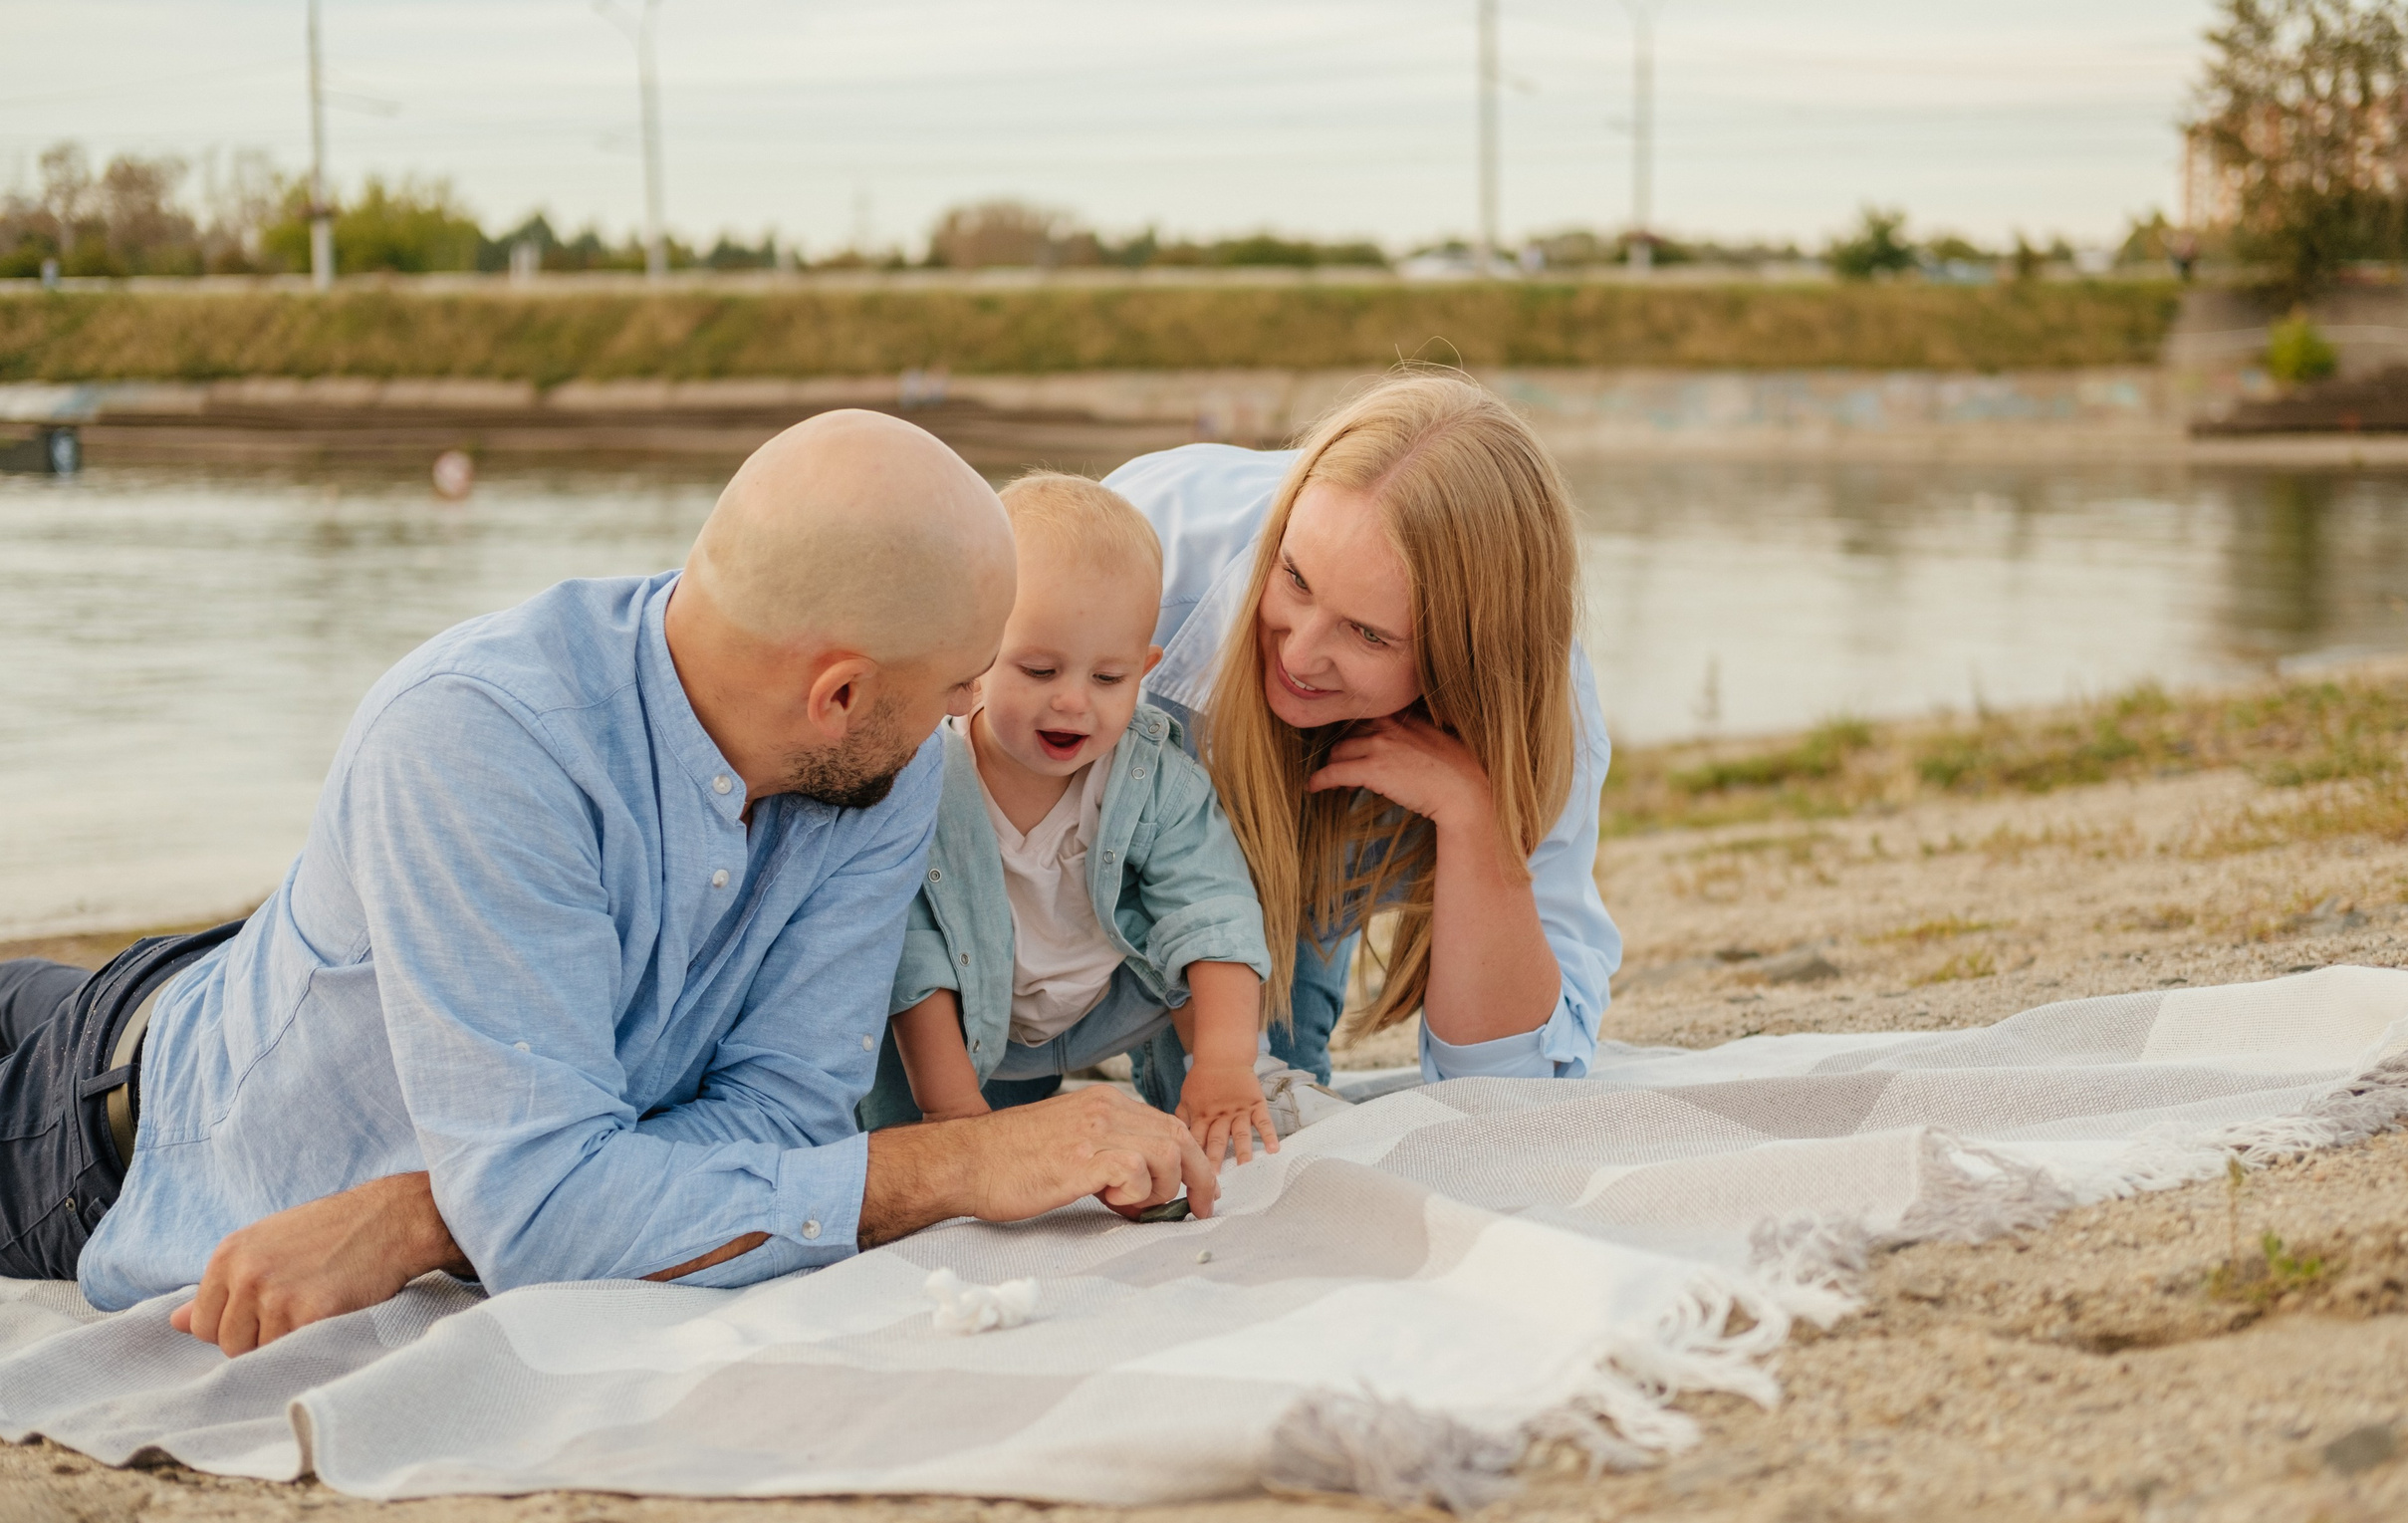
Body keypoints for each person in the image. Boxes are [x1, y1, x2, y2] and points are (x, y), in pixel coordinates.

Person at [0, 410, 1215, 1356]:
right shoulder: (481, 740)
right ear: (836, 690)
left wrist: (441, 1211)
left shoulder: (878, 772)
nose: (968, 717)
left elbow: (784, 1110)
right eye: (958, 684)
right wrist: (963, 1165)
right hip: (91, 1127)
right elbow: (539, 1215)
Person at [1102, 369, 1620, 1086]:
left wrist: (1473, 820)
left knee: (1267, 1113)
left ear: (1463, 663)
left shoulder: (1548, 711)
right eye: (1296, 579)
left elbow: (1513, 1081)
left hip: (1299, 892)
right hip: (1063, 871)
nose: (1299, 653)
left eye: (1369, 634)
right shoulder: (1145, 541)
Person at [864, 473, 1279, 1165]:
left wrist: (1227, 1063)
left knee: (1199, 956)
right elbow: (914, 954)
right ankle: (929, 1122)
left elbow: (1213, 907)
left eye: (1107, 678)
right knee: (907, 1107)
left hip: (1101, 1007)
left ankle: (1217, 1097)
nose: (1073, 703)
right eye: (1039, 670)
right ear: (973, 656)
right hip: (963, 1019)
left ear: (1144, 671)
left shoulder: (1150, 774)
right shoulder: (926, 777)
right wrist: (955, 1116)